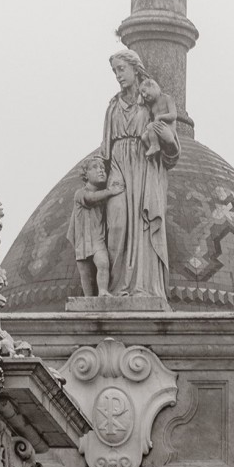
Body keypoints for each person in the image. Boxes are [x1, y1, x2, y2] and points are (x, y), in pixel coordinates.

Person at [99, 50, 180, 298]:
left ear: (135, 68)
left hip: (144, 166)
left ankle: (141, 286)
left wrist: (166, 142)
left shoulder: (152, 103)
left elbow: (171, 143)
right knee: (117, 224)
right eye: (114, 71)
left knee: (142, 228)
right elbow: (105, 150)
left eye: (121, 69)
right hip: (118, 168)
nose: (118, 75)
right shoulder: (113, 105)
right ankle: (115, 287)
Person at [66, 156, 124, 296]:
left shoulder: (103, 197)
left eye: (103, 168)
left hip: (97, 239)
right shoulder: (80, 193)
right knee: (85, 274)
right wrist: (110, 191)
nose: (101, 171)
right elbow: (90, 198)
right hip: (82, 242)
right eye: (95, 168)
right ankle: (88, 298)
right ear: (85, 174)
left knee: (103, 263)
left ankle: (103, 290)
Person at [137, 75, 178, 158]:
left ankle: (155, 146)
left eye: (144, 91)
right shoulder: (153, 106)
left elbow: (174, 115)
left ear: (153, 86)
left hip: (168, 128)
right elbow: (141, 104)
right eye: (142, 94)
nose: (144, 95)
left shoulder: (167, 98)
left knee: (151, 126)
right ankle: (155, 154)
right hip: (157, 129)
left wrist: (160, 117)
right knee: (144, 137)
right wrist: (140, 99)